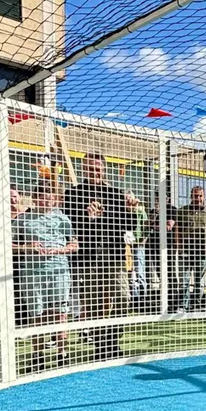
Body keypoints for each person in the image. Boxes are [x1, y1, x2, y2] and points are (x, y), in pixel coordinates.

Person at [63, 153, 128, 358]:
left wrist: (129, 210)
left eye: (98, 169)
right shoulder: (73, 193)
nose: (94, 172)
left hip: (113, 256)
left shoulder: (116, 194)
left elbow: (128, 225)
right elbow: (69, 226)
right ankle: (100, 347)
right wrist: (88, 217)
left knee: (123, 297)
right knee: (93, 304)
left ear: (104, 170)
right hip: (87, 258)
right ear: (84, 169)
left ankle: (112, 339)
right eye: (90, 168)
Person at [13, 184, 78, 370]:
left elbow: (74, 245)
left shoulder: (62, 219)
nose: (46, 201)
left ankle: (62, 355)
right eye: (42, 197)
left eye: (49, 197)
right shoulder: (22, 219)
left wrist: (58, 250)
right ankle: (38, 357)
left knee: (60, 313)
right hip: (33, 274)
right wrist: (27, 247)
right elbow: (6, 244)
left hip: (59, 272)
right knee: (37, 314)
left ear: (54, 199)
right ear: (34, 198)